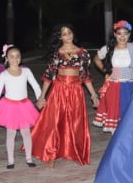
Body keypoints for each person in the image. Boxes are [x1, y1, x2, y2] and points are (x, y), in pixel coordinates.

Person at [32, 24, 101, 166]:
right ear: (60, 37)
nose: (68, 36)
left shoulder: (83, 53)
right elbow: (49, 76)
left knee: (75, 122)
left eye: (69, 32)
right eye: (64, 34)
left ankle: (74, 152)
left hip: (76, 91)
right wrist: (42, 97)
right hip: (58, 90)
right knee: (55, 122)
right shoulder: (57, 53)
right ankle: (51, 154)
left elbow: (85, 76)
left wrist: (94, 95)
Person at [92, 20, 133, 133]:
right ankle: (117, 138)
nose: (122, 37)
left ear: (129, 35)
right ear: (115, 34)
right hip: (113, 86)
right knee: (115, 114)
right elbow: (96, 59)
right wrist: (106, 72)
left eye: (125, 33)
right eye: (119, 33)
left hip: (129, 86)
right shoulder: (108, 48)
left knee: (128, 113)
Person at [0, 44, 42, 169]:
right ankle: (10, 161)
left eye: (17, 56)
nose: (15, 59)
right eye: (11, 56)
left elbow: (35, 86)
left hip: (24, 106)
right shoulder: (4, 74)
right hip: (9, 107)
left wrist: (40, 98)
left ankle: (29, 158)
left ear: (21, 58)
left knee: (26, 133)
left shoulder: (26, 71)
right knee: (11, 134)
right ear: (6, 58)